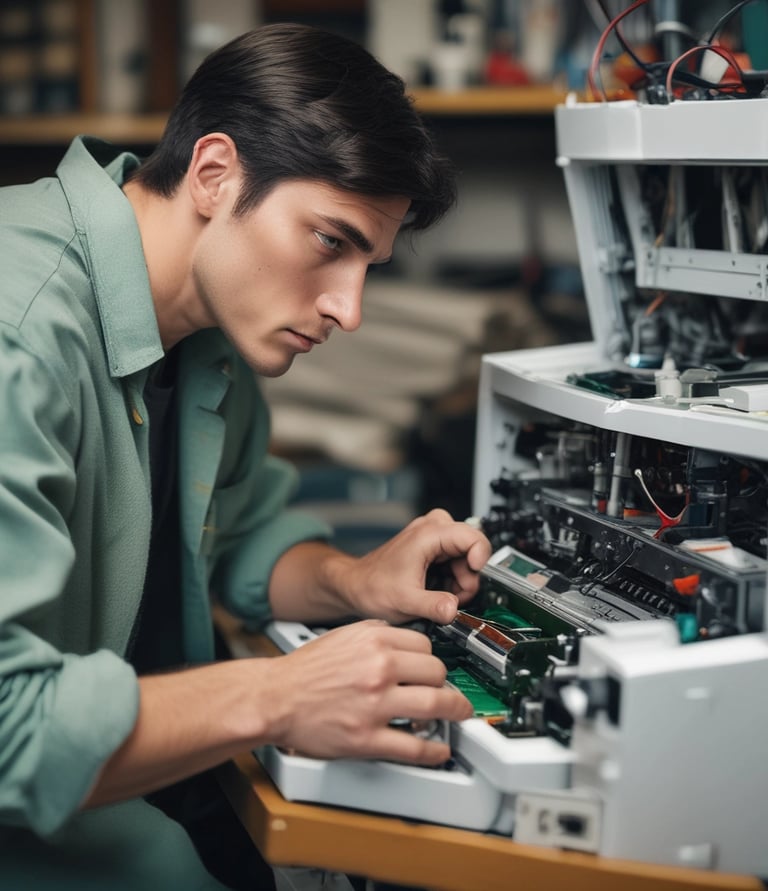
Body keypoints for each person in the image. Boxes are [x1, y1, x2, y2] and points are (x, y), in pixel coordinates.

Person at [0, 21, 491, 891]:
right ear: (215, 173)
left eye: (369, 264)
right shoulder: (18, 331)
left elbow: (239, 537)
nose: (350, 309)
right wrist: (279, 694)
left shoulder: (203, 334)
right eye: (330, 242)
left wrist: (354, 580)